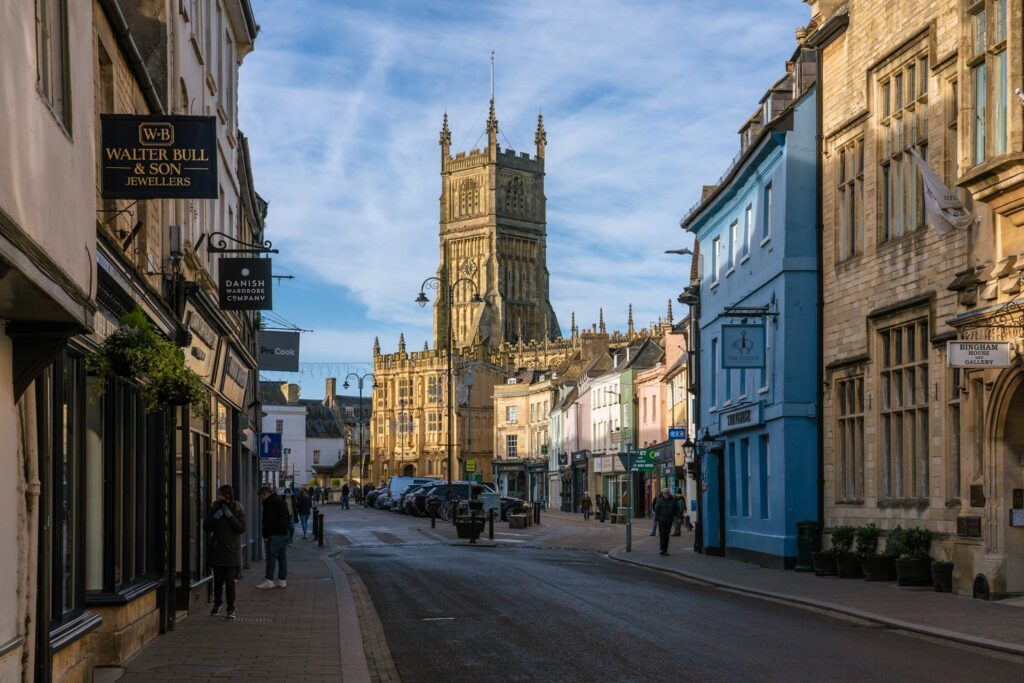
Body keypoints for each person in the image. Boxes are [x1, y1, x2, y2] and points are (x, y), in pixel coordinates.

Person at [205, 484, 245, 620]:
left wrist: (228, 514)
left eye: (222, 495)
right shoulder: (214, 507)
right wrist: (217, 514)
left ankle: (231, 608)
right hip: (218, 549)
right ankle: (217, 604)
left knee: (230, 582)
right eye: (218, 494)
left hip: (231, 550)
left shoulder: (237, 508)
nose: (219, 497)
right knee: (218, 581)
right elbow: (207, 526)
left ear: (228, 496)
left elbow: (240, 528)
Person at [257, 485, 290, 589]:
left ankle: (269, 580)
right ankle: (282, 580)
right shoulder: (281, 500)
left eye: (262, 496)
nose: (261, 499)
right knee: (282, 557)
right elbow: (288, 516)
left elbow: (268, 521)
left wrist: (265, 535)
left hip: (274, 534)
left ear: (267, 493)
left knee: (271, 558)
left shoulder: (269, 503)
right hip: (284, 533)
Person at [653, 488, 679, 556]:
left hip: (669, 521)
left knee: (666, 535)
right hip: (661, 521)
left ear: (669, 493)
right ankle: (662, 549)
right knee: (662, 535)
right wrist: (656, 520)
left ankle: (665, 550)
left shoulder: (673, 500)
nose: (666, 494)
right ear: (663, 493)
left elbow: (676, 510)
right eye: (665, 493)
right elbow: (657, 511)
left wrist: (678, 518)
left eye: (667, 493)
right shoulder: (659, 500)